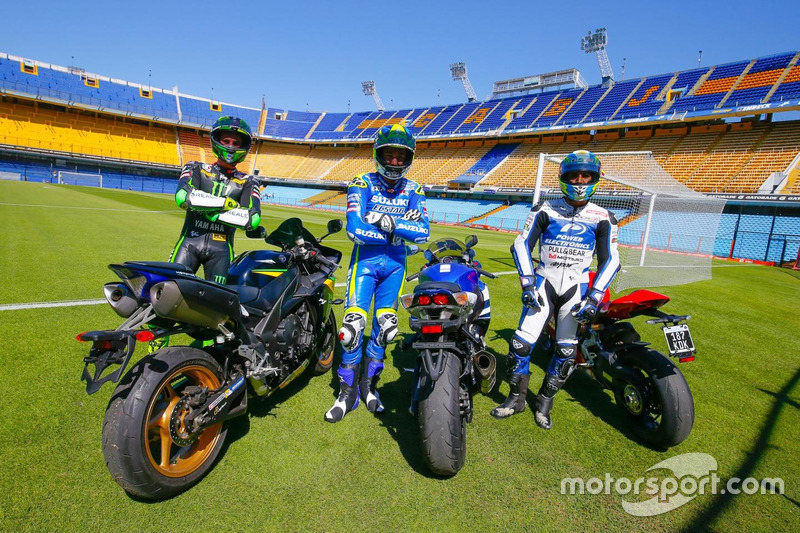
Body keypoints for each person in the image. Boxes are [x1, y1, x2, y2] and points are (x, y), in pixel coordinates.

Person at [491, 150, 620, 430]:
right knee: (520, 344)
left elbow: (611, 259)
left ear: (595, 179)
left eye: (586, 175)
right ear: (563, 177)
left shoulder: (603, 217)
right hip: (542, 283)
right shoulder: (545, 209)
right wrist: (527, 283)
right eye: (573, 175)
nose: (579, 180)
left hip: (577, 290)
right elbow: (521, 244)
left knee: (565, 352)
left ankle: (544, 404)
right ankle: (516, 399)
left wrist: (595, 298)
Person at [325, 124, 430, 423]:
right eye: (389, 155)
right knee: (352, 328)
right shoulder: (361, 183)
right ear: (378, 155)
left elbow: (422, 233)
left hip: (395, 267)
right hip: (365, 265)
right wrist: (399, 229)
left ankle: (369, 387)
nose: (395, 162)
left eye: (401, 156)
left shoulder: (415, 189)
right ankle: (346, 394)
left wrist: (383, 221)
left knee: (387, 328)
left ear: (408, 158)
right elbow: (355, 229)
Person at [169, 116, 262, 284]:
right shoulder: (195, 167)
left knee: (217, 305)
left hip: (222, 252)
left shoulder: (249, 181)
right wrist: (224, 205)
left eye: (236, 143)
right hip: (188, 243)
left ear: (244, 147)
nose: (230, 147)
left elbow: (252, 219)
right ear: (216, 141)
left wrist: (210, 211)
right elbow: (183, 197)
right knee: (169, 290)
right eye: (226, 141)